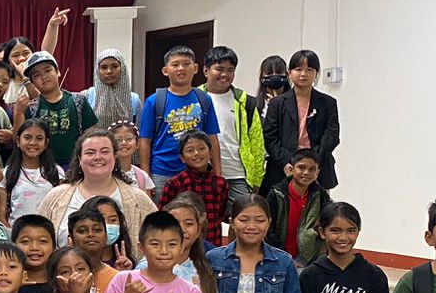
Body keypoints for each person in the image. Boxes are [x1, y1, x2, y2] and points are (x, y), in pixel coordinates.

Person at [38, 127, 157, 256]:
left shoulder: (138, 199)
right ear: (79, 158)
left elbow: (157, 241)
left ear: (115, 156)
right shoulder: (56, 196)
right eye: (90, 152)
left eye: (105, 152)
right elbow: (38, 237)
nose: (98, 157)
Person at [299, 202, 389, 293]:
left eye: (350, 230)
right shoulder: (310, 276)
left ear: (358, 232)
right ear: (322, 232)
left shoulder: (374, 276)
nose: (343, 237)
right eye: (335, 230)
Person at [138, 46, 220, 197]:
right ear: (165, 70)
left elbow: (212, 139)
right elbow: (144, 142)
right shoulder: (154, 101)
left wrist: (217, 175)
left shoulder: (204, 99)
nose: (181, 68)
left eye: (186, 64)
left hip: (197, 172)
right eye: (175, 65)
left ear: (195, 68)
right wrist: (145, 180)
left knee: (195, 217)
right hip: (162, 173)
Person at [263, 49, 340, 193]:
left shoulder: (328, 103)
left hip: (318, 168)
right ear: (290, 73)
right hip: (284, 168)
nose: (303, 74)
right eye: (298, 69)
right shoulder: (277, 103)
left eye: (309, 69)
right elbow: (270, 138)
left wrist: (312, 161)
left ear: (316, 73)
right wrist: (290, 162)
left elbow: (332, 136)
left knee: (317, 212)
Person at [198, 46, 265, 210]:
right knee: (204, 219)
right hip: (203, 173)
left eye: (230, 70)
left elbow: (257, 144)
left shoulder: (246, 102)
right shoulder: (194, 98)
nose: (225, 74)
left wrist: (257, 180)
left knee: (243, 219)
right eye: (219, 69)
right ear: (206, 71)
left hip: (238, 175)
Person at [22, 50, 96, 170]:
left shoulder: (79, 101)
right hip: (43, 168)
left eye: (47, 70)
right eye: (36, 75)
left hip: (77, 166)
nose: (43, 77)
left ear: (58, 72)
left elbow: (92, 134)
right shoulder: (31, 108)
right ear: (32, 82)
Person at [156, 132, 230, 247]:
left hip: (212, 242)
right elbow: (163, 216)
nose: (196, 154)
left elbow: (221, 213)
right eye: (190, 150)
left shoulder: (220, 183)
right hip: (182, 243)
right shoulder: (175, 183)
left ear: (210, 153)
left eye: (201, 149)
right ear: (182, 158)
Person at [265, 149, 330, 266]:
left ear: (317, 172)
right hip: (278, 257)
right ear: (291, 169)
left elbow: (327, 224)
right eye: (301, 167)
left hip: (309, 261)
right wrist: (281, 255)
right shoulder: (276, 194)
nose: (306, 172)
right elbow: (269, 228)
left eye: (312, 169)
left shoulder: (321, 196)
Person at [5, 118, 61, 222]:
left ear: (46, 143)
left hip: (48, 233)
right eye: (27, 137)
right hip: (17, 234)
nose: (33, 143)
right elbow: (2, 211)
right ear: (18, 141)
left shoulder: (57, 172)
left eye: (39, 138)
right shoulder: (7, 173)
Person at [85, 48, 142, 124]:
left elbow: (139, 129)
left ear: (122, 68)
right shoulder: (88, 96)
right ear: (97, 71)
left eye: (115, 66)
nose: (109, 71)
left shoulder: (134, 99)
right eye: (104, 67)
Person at [13, 214, 59, 293]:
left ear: (54, 247)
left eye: (43, 241)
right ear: (13, 245)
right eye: (25, 241)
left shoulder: (60, 284)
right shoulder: (8, 282)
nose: (34, 247)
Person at [109, 120, 156, 193]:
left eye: (129, 139)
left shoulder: (142, 176)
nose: (124, 142)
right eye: (118, 140)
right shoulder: (105, 174)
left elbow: (147, 203)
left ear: (137, 143)